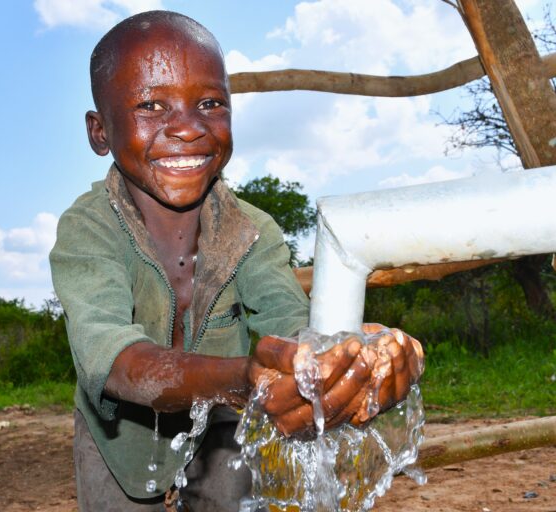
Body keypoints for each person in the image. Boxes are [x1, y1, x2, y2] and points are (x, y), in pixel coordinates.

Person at [49, 10, 424, 512]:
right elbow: (114, 362)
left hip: (225, 423)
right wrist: (244, 378)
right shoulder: (87, 228)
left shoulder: (253, 230)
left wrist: (349, 356)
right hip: (118, 434)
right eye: (152, 106)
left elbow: (292, 328)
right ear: (100, 132)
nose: (186, 127)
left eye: (209, 103)